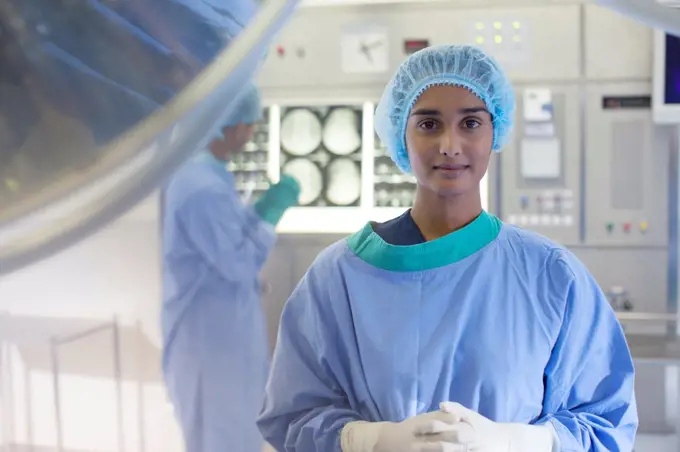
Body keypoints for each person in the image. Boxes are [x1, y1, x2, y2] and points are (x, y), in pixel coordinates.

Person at [257, 45, 637, 452]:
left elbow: (605, 421)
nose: (450, 145)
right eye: (428, 124)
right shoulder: (337, 278)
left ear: (495, 131)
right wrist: (371, 440)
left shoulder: (549, 275)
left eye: (470, 122)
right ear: (401, 132)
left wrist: (517, 441)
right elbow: (293, 417)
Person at [162, 84, 300, 452]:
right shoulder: (199, 188)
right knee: (220, 441)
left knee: (238, 436)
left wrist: (258, 211)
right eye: (250, 124)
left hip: (224, 340)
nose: (251, 133)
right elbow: (236, 262)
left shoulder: (212, 178)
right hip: (209, 347)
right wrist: (270, 216)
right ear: (229, 126)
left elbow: (228, 237)